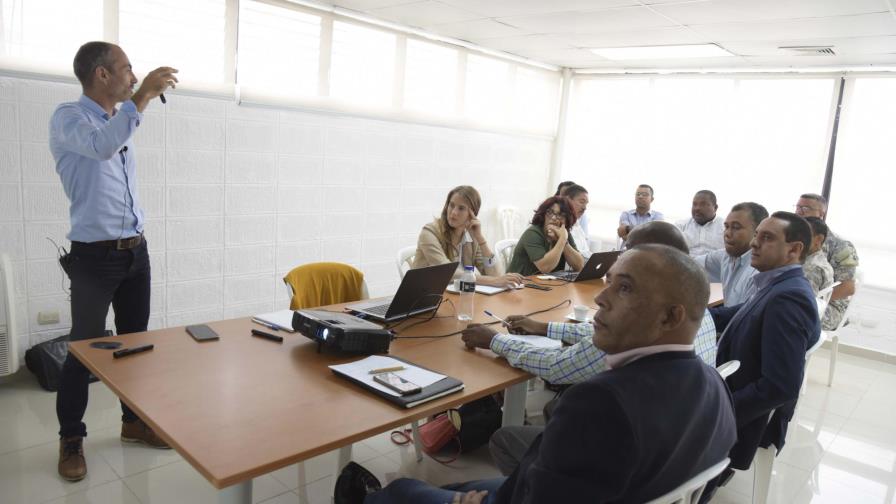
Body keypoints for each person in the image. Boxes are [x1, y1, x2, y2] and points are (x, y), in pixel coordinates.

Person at [334, 245, 737, 504]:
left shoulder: (601, 402)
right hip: (602, 488)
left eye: (625, 288)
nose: (600, 297)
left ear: (671, 316)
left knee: (403, 491)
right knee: (451, 488)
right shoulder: (713, 384)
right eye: (609, 282)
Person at [462, 220, 719, 476]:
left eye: (625, 287)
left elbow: (557, 366)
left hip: (621, 466)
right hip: (673, 451)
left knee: (505, 438)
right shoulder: (697, 315)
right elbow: (597, 336)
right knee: (556, 407)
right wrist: (545, 328)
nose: (600, 298)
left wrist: (495, 341)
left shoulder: (616, 362)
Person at [49, 41, 177, 482]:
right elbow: (102, 147)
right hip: (93, 258)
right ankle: (71, 438)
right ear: (101, 75)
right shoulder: (70, 118)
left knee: (133, 345)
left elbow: (115, 147)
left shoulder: (117, 121)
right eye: (126, 69)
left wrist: (133, 106)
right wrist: (141, 100)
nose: (134, 76)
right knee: (83, 352)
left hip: (134, 253)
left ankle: (132, 423)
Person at [703, 212, 821, 499]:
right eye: (757, 235)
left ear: (794, 250)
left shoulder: (788, 298)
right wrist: (694, 314)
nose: (755, 243)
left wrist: (720, 413)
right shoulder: (777, 283)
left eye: (766, 238)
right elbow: (737, 315)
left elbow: (780, 386)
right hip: (733, 394)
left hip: (745, 418)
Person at [411, 186, 524, 288]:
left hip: (455, 296)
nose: (454, 212)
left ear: (472, 213)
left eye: (461, 208)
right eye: (451, 205)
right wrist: (494, 281)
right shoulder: (429, 232)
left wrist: (480, 239)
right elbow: (447, 272)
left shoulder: (471, 236)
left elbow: (495, 274)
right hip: (422, 298)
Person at [795, 193, 859, 330]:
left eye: (805, 208)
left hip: (830, 305)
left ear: (822, 214)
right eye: (797, 207)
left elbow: (848, 288)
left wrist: (812, 301)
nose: (799, 212)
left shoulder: (841, 245)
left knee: (793, 316)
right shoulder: (788, 237)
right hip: (797, 296)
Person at [695, 202, 768, 306]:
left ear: (757, 232)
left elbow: (743, 317)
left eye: (736, 227)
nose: (727, 233)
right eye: (726, 227)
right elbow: (691, 264)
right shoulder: (725, 256)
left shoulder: (758, 272)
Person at [506, 196, 584, 276]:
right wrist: (562, 240)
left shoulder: (564, 233)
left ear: (567, 220)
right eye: (550, 212)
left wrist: (564, 243)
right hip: (520, 284)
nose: (553, 218)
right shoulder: (533, 233)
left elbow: (579, 266)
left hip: (548, 284)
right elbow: (545, 268)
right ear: (543, 214)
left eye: (560, 215)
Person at [676, 190, 724, 256]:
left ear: (715, 208)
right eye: (694, 204)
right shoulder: (681, 226)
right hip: (685, 264)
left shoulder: (725, 227)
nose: (697, 208)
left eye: (703, 204)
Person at [803, 217, 835, 295]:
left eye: (802, 235)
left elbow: (802, 303)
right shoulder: (819, 260)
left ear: (818, 239)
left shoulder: (812, 268)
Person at [559, 183, 592, 259]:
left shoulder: (577, 224)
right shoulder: (560, 225)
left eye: (586, 204)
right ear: (568, 200)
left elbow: (585, 251)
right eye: (581, 202)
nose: (584, 208)